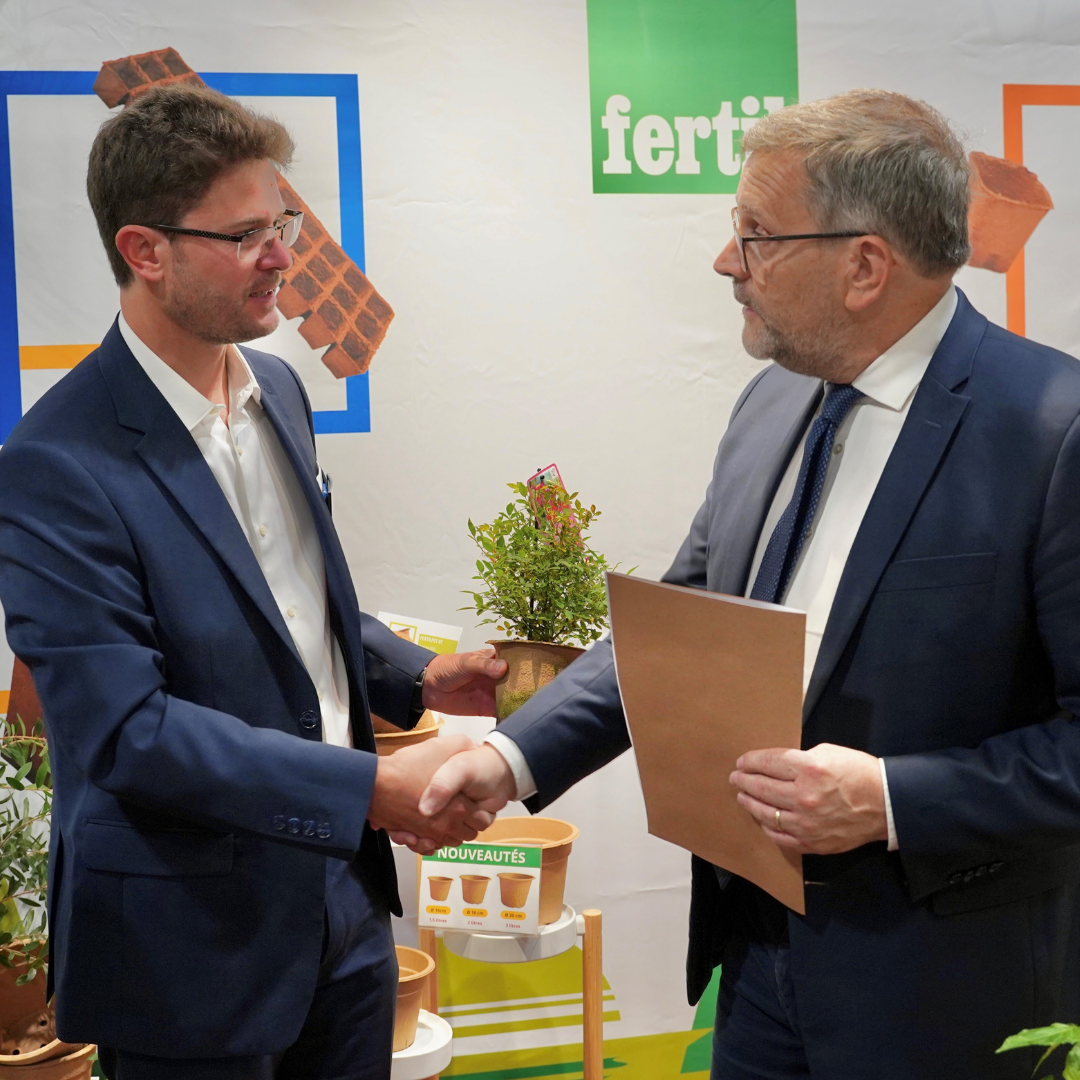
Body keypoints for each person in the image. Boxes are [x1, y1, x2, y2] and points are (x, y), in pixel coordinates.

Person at [414, 89, 1080, 1079]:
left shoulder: (1053, 432)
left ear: (865, 265)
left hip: (942, 993)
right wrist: (510, 759)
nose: (728, 263)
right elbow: (678, 636)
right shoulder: (770, 402)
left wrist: (894, 799)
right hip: (757, 965)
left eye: (757, 235)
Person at [0, 85, 505, 1080]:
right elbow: (125, 731)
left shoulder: (276, 388)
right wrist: (368, 789)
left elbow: (282, 598)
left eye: (282, 222)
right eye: (246, 235)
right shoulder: (56, 461)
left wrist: (416, 674)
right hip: (187, 941)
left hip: (341, 913)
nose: (283, 255)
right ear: (145, 252)